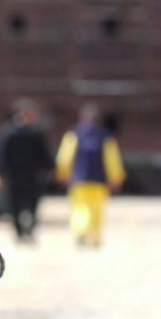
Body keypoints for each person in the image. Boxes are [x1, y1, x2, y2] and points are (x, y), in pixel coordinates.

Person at [56, 103, 125, 247]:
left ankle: (80, 230)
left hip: (79, 179)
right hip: (99, 180)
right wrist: (116, 177)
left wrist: (62, 172)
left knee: (79, 207)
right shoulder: (105, 136)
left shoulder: (74, 134)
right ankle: (94, 237)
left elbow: (65, 156)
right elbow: (112, 158)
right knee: (97, 209)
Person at [0, 99, 54, 243]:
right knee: (32, 204)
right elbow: (45, 154)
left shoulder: (9, 132)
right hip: (32, 176)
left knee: (15, 204)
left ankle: (19, 231)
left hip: (14, 175)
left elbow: (2, 155)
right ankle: (28, 230)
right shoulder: (36, 132)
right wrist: (50, 168)